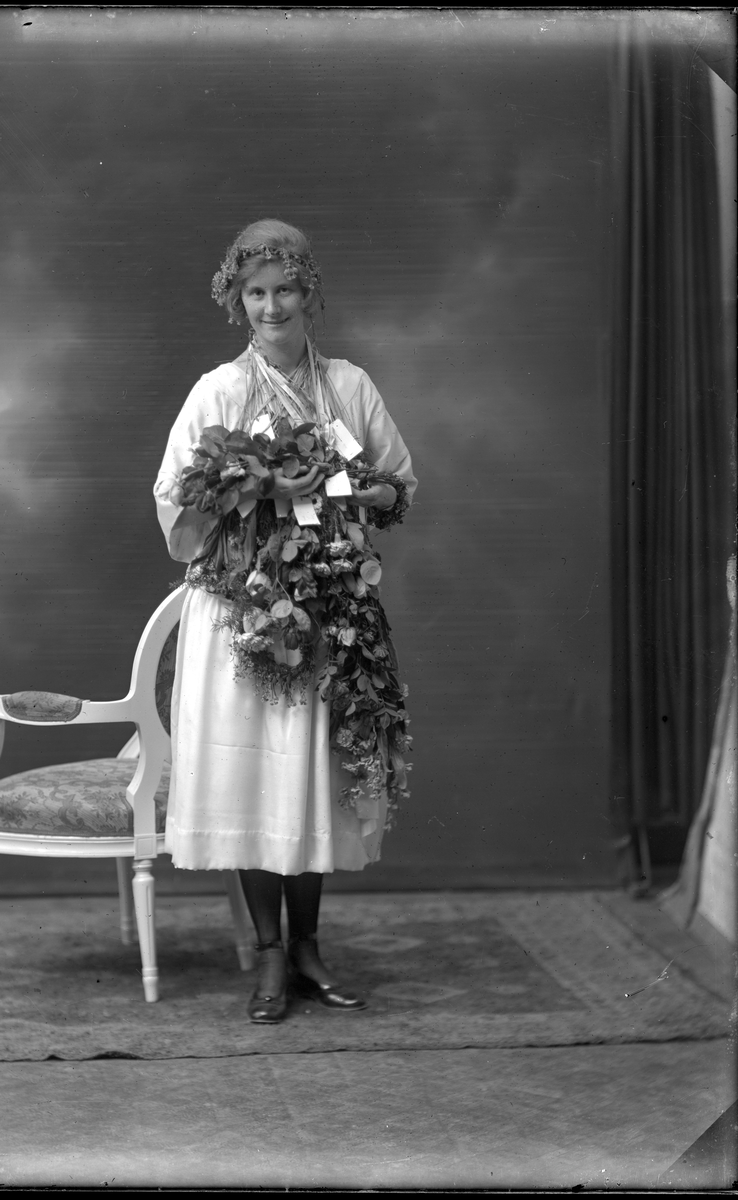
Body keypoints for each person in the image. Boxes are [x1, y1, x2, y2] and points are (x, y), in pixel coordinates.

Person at [154, 219, 417, 1024]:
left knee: (314, 778)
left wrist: (364, 490)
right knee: (256, 777)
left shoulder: (348, 386)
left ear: (310, 294)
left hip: (329, 607)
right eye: (256, 293)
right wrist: (255, 487)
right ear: (236, 301)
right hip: (243, 613)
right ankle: (269, 953)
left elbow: (398, 484)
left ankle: (306, 947)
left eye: (286, 290)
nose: (272, 307)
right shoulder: (219, 392)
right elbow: (175, 497)